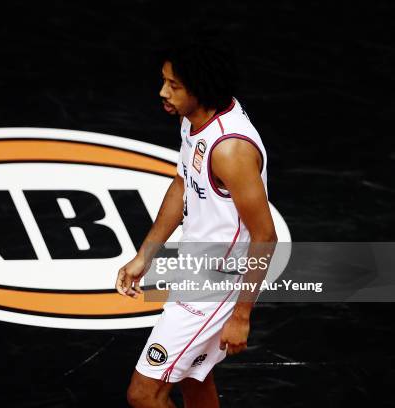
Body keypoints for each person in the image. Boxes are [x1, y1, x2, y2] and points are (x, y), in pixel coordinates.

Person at [115, 35, 278, 408]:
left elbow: (265, 235)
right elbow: (183, 183)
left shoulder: (229, 149)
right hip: (197, 270)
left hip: (215, 288)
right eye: (164, 80)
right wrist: (146, 254)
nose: (163, 92)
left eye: (174, 85)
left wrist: (241, 314)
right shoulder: (195, 119)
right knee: (194, 379)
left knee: (143, 394)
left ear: (200, 89)